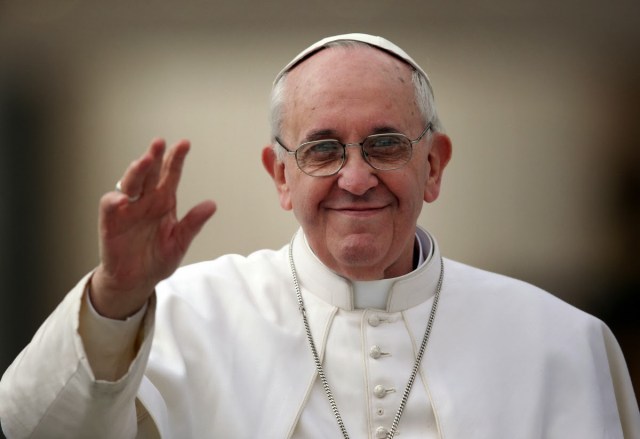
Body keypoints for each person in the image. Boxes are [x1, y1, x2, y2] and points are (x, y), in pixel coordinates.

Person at [0, 33, 638, 439]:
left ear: (434, 164)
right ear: (281, 176)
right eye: (323, 149)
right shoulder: (189, 316)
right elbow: (31, 430)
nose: (355, 178)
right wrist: (114, 298)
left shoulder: (558, 343)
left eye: (385, 144)